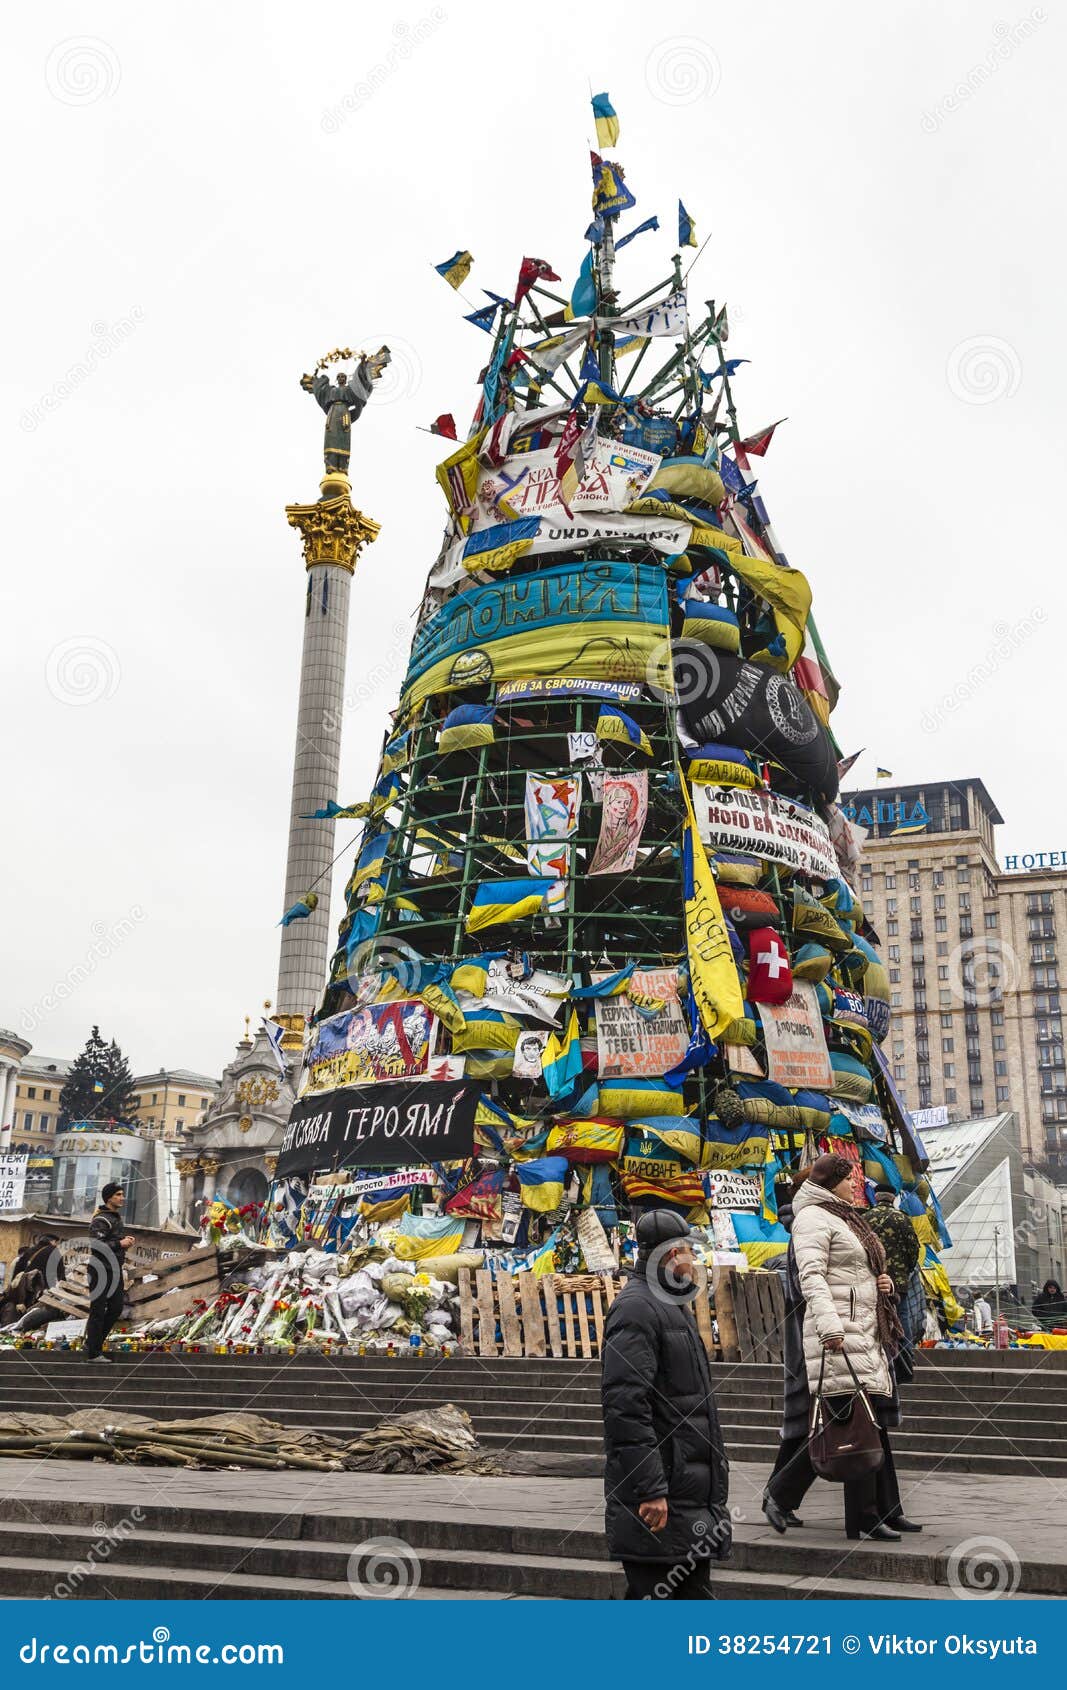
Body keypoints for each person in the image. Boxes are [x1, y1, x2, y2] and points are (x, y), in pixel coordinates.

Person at [762, 1154, 920, 1542]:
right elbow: (811, 1277)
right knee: (845, 1424)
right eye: (850, 1179)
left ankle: (879, 1510)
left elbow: (853, 1270)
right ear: (832, 1182)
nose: (856, 1185)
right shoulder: (814, 1218)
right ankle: (783, 1496)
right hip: (837, 1334)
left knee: (868, 1422)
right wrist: (831, 1325)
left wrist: (880, 1283)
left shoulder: (844, 1216)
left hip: (865, 1331)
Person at [601, 1209, 730, 1599]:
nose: (695, 1260)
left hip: (687, 1493)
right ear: (672, 1254)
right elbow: (625, 1406)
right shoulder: (637, 1308)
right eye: (690, 1251)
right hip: (663, 1497)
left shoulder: (669, 1304)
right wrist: (650, 1488)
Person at [83, 1183, 133, 1362]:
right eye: (118, 1195)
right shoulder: (101, 1219)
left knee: (116, 1308)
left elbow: (111, 1241)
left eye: (122, 1194)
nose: (122, 1197)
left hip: (114, 1269)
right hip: (100, 1270)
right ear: (109, 1197)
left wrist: (124, 1241)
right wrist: (120, 1244)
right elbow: (97, 1246)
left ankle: (92, 1343)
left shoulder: (115, 1218)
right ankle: (94, 1353)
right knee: (97, 1310)